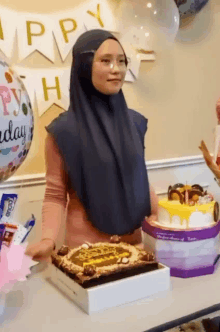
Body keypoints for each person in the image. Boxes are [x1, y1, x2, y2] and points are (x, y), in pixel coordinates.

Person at [25, 29, 158, 262]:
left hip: (136, 249)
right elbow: (55, 195)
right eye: (105, 61)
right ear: (84, 66)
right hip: (86, 256)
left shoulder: (135, 123)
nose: (116, 69)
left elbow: (139, 176)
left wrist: (159, 216)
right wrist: (48, 239)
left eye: (121, 61)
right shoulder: (63, 131)